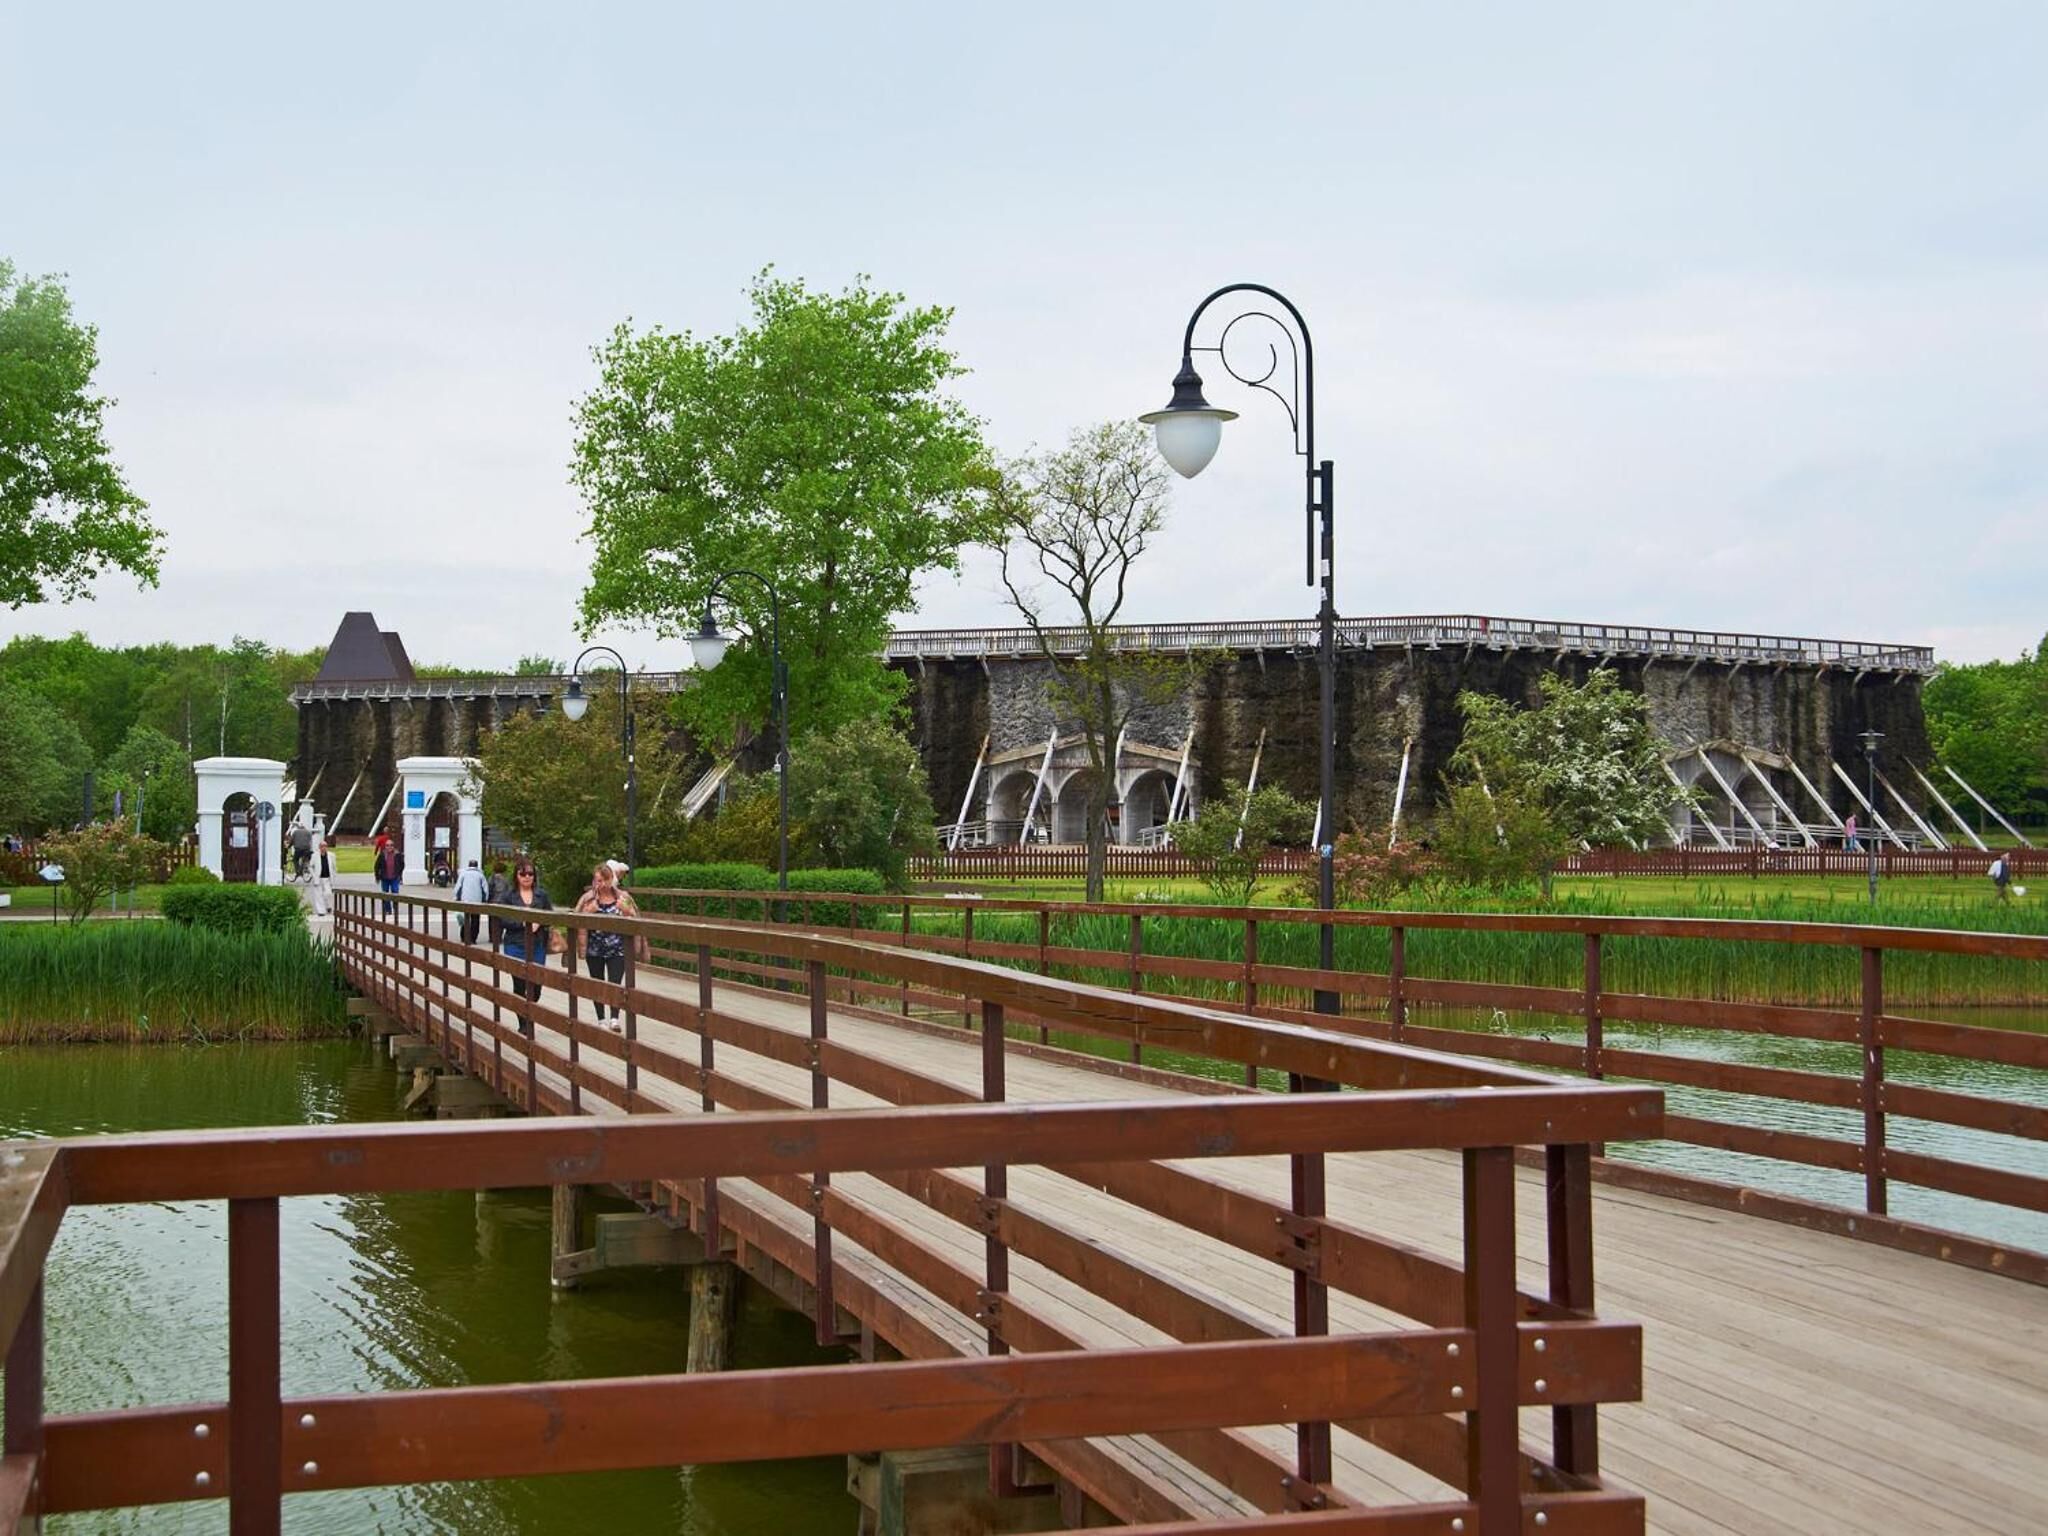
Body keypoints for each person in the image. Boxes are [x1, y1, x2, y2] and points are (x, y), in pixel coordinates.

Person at [573, 861, 643, 1028]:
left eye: (605, 880)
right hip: (594, 948)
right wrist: (586, 913)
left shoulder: (623, 897)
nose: (602, 884)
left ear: (612, 879)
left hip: (617, 948)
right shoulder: (587, 898)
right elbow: (574, 921)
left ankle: (614, 1019)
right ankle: (601, 1018)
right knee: (597, 984)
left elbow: (637, 918)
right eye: (598, 880)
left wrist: (627, 911)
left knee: (615, 984)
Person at [497, 860, 555, 1035]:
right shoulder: (509, 896)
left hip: (537, 944)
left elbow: (550, 915)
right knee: (520, 983)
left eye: (530, 874)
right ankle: (524, 1023)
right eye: (523, 874)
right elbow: (503, 919)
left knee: (536, 985)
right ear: (516, 875)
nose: (527, 877)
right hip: (516, 944)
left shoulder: (541, 895)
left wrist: (540, 923)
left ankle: (529, 1012)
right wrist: (523, 923)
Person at [453, 857, 490, 944]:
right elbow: (485, 889)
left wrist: (456, 898)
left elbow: (458, 887)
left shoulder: (463, 874)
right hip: (477, 901)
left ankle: (464, 937)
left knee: (465, 919)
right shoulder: (481, 875)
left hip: (464, 900)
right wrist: (485, 900)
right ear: (477, 866)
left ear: (469, 865)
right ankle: (473, 938)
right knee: (475, 920)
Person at [373, 834, 403, 917]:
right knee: (385, 894)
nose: (389, 847)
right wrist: (377, 876)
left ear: (393, 846)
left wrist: (399, 875)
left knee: (395, 892)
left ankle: (395, 908)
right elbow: (376, 866)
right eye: (387, 845)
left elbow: (402, 865)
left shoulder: (398, 854)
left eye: (391, 845)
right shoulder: (382, 855)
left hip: (394, 877)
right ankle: (388, 910)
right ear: (385, 847)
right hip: (384, 877)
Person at [310, 832, 334, 917]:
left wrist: (333, 878)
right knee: (318, 895)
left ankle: (328, 906)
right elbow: (310, 866)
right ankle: (321, 911)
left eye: (325, 846)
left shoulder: (331, 856)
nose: (324, 848)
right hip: (319, 878)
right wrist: (314, 876)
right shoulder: (315, 856)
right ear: (319, 848)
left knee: (328, 893)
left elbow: (333, 867)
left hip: (327, 878)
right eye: (322, 847)